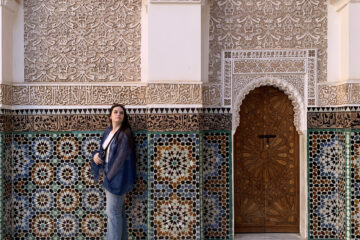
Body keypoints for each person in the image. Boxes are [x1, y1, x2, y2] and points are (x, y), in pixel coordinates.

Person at [91, 103, 136, 240]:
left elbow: (121, 159)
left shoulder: (124, 134)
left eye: (121, 113)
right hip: (108, 174)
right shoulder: (108, 132)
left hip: (118, 177)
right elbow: (102, 150)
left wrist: (110, 177)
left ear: (124, 117)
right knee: (118, 213)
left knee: (113, 214)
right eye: (115, 112)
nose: (118, 114)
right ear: (110, 116)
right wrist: (95, 156)